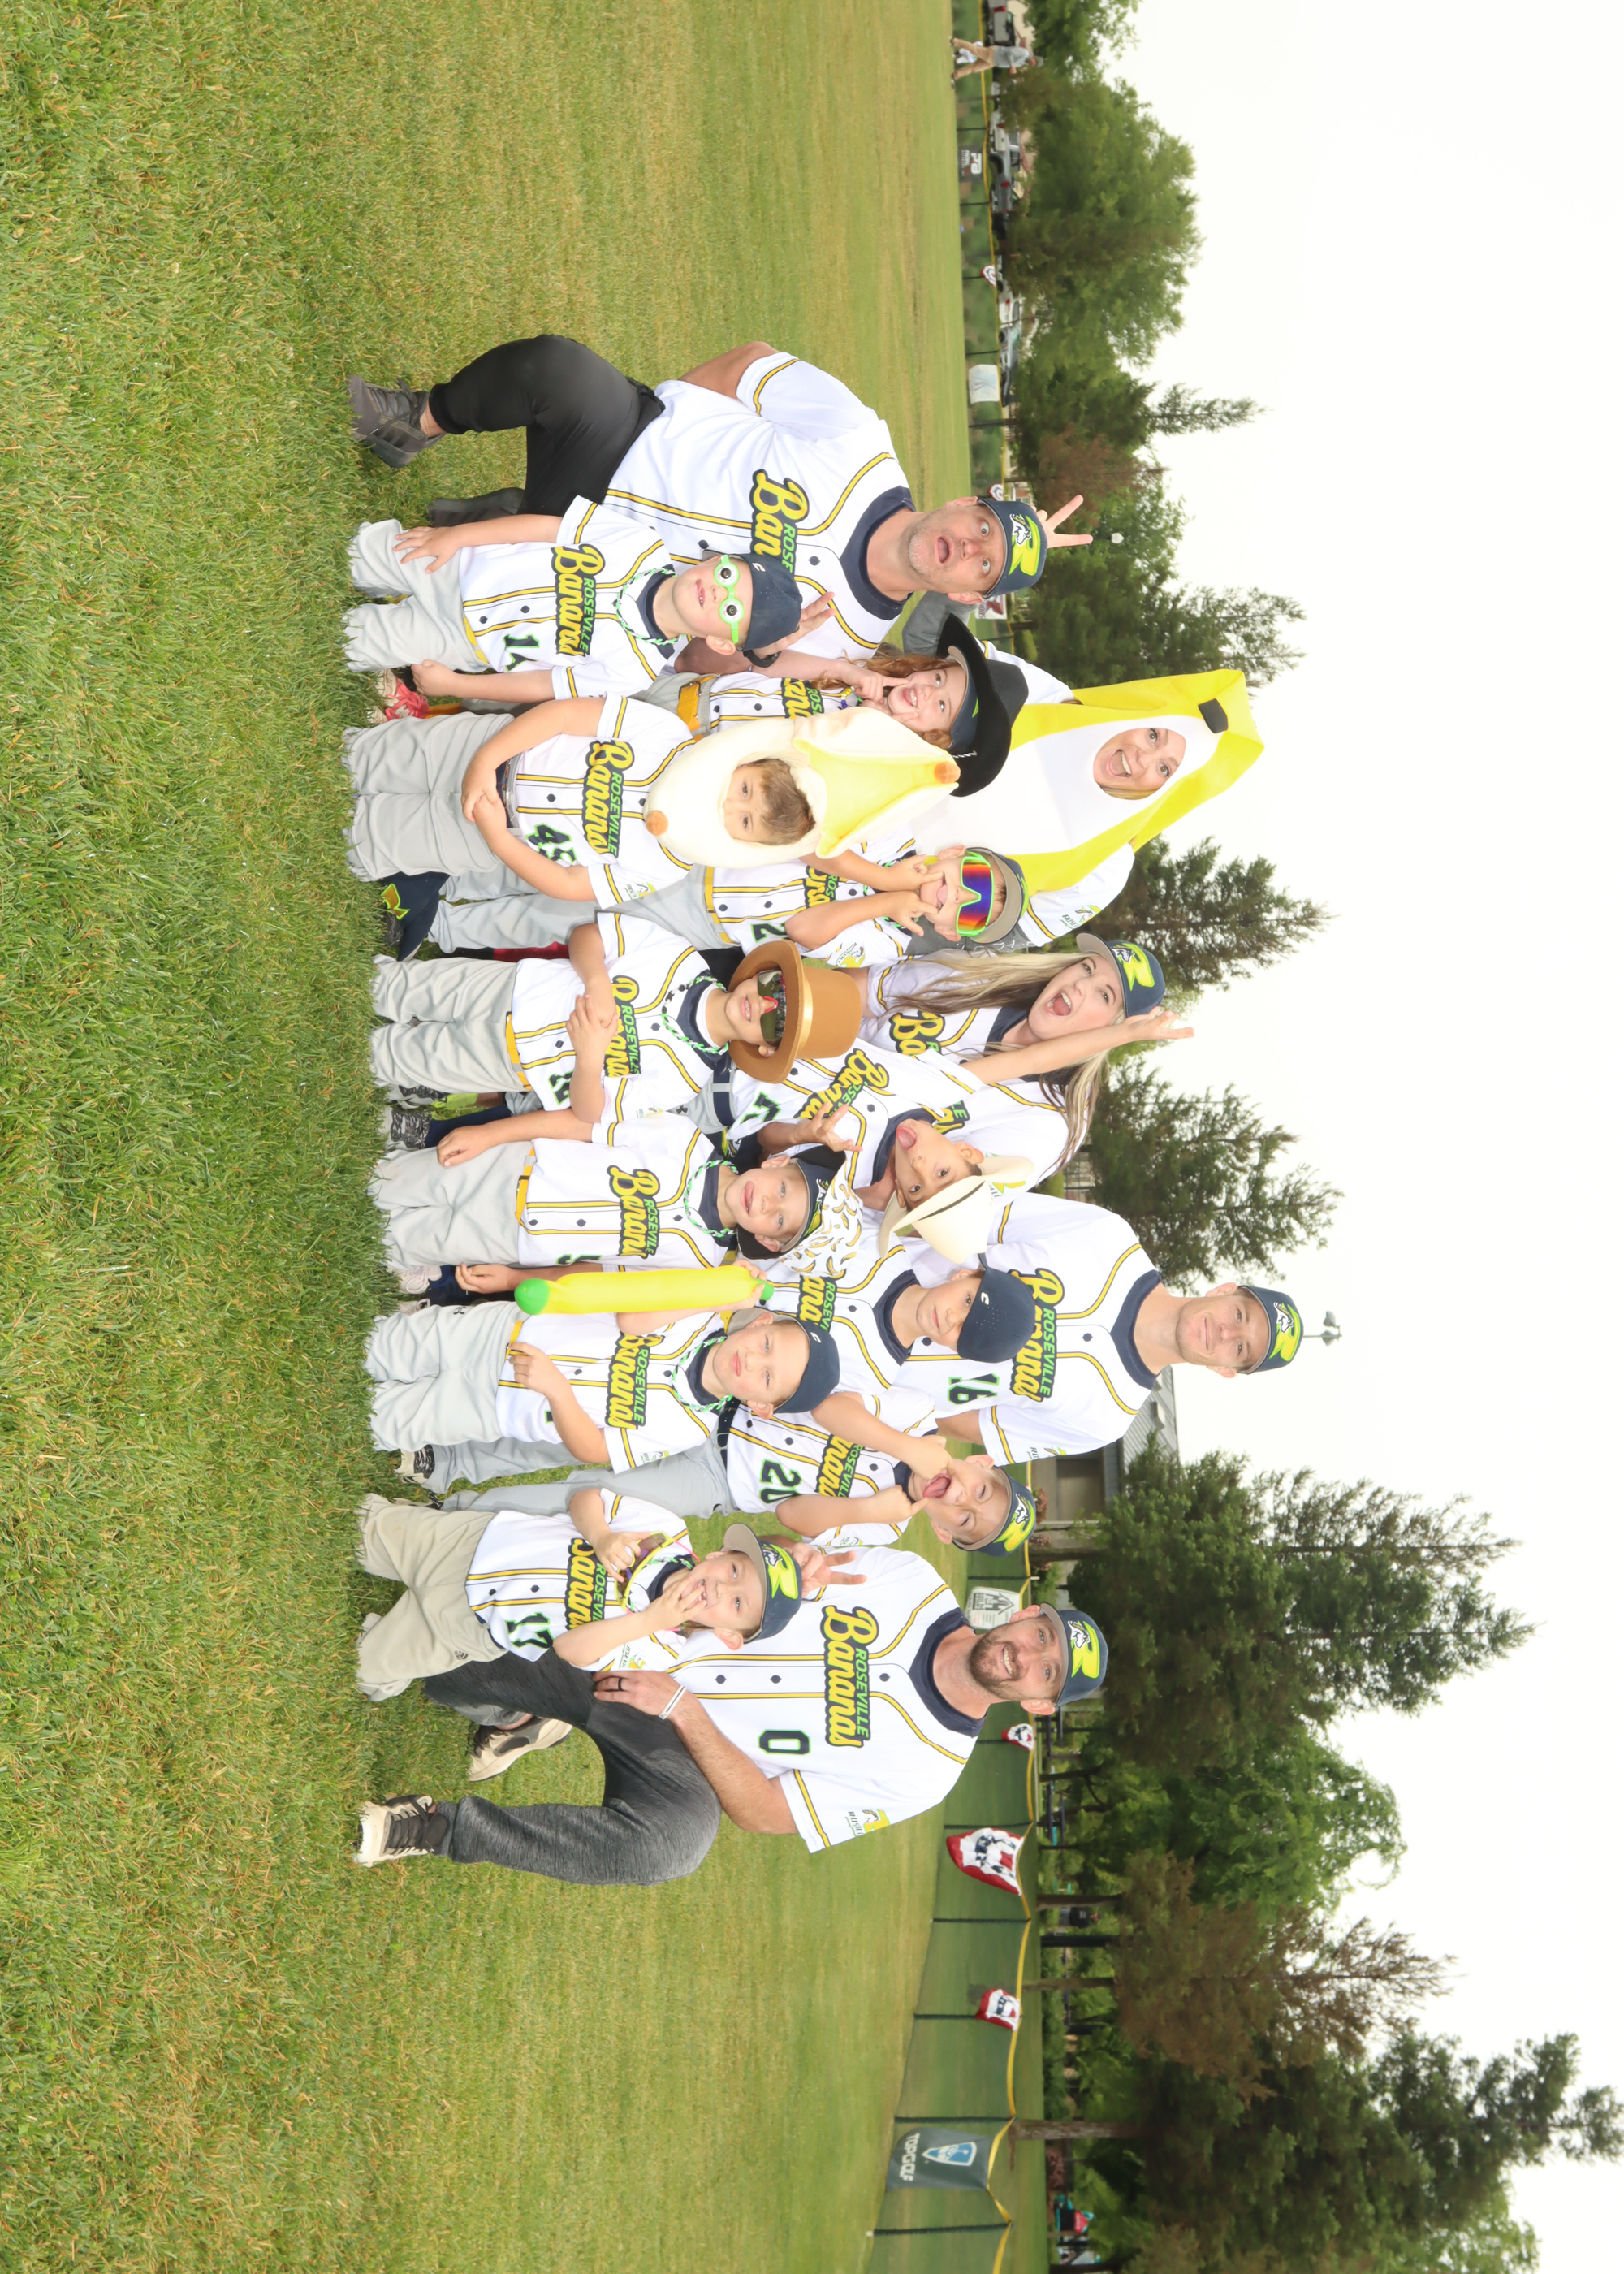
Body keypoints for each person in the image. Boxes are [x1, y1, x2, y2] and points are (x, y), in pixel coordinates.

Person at [352, 1534, 1109, 1879]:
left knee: (673, 1847)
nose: (1025, 1655)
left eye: (1046, 1672)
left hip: (682, 1744)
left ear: (1040, 1707)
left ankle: (439, 1829)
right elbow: (772, 1562)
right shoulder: (911, 1580)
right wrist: (797, 1552)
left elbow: (767, 1812)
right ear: (1023, 1614)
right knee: (445, 1681)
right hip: (656, 1642)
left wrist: (686, 1712)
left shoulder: (930, 1772)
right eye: (1039, 1634)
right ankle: (522, 1716)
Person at [344, 340, 1090, 664]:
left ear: (970, 595)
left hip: (605, 578)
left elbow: (697, 665)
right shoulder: (861, 441)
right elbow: (752, 366)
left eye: (984, 565)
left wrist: (765, 648)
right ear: (961, 502)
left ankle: (496, 528)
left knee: (520, 620)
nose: (969, 547)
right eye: (982, 526)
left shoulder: (852, 638)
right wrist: (672, 417)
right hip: (620, 448)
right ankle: (416, 421)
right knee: (559, 370)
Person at [900, 1190, 1305, 1459]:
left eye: (1240, 1349)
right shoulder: (1109, 1237)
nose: (1226, 1333)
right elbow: (973, 1219)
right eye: (1239, 1315)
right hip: (881, 1279)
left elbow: (982, 1427)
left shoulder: (1108, 1421)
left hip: (881, 1389)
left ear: (1225, 1370)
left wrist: (889, 1407)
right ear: (1224, 1290)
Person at [367, 1289, 843, 1494]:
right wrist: (716, 1298)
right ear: (760, 1323)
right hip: (506, 1332)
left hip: (499, 1407)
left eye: (767, 1378)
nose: (753, 1361)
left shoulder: (690, 1427)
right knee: (383, 1345)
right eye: (766, 1344)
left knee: (381, 1420)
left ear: (760, 1406)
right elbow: (631, 1319)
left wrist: (558, 1392)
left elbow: (595, 1449)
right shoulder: (698, 1313)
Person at [343, 507, 808, 696]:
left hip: (464, 641)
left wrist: (457, 685)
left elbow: (543, 685)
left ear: (723, 644)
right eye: (728, 575)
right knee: (355, 554)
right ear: (719, 560)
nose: (719, 591)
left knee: (350, 641)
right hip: (455, 566)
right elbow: (546, 529)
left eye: (732, 610)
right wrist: (458, 535)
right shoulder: (642, 544)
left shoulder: (636, 669)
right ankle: (370, 568)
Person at [365, 910, 783, 1118]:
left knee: (384, 1059)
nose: (763, 1004)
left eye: (777, 1022)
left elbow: (589, 1113)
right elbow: (587, 936)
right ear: (759, 972)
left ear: (766, 1049)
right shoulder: (683, 958)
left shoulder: (688, 1079)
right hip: (513, 988)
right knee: (391, 987)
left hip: (515, 1064)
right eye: (773, 988)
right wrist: (598, 981)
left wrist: (590, 1058)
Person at [373, 1109, 847, 1278]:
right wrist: (490, 1134)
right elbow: (581, 1125)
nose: (766, 1202)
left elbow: (600, 1274)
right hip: (511, 1168)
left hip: (513, 1241)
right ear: (776, 1162)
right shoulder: (684, 1138)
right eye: (782, 1189)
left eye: (779, 1219)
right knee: (384, 1182)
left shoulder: (698, 1262)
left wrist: (515, 1277)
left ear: (767, 1241)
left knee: (384, 1245)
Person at [861, 936, 1186, 1161]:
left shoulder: (1053, 1122)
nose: (1081, 984)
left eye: (1104, 995)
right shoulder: (980, 974)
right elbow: (855, 993)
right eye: (1087, 968)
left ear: (1113, 1034)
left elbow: (914, 1195)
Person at [951, 36, 1035, 83]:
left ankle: (956, 75)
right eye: (1035, 62)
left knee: (974, 69)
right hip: (994, 54)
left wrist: (1012, 66)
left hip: (994, 62)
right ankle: (955, 41)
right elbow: (1010, 53)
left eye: (1035, 65)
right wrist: (1012, 66)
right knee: (974, 50)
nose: (1033, 64)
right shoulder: (1025, 53)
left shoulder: (1023, 62)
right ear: (1034, 58)